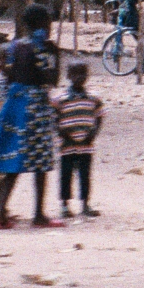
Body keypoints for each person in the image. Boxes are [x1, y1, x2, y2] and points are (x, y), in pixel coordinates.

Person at [0, 4, 63, 230]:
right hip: (35, 104)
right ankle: (38, 215)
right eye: (48, 22)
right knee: (40, 162)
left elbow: (8, 76)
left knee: (14, 161)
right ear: (42, 23)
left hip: (15, 103)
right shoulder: (47, 48)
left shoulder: (13, 46)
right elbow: (51, 79)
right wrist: (53, 55)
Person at [52, 61, 105, 220]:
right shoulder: (60, 99)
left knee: (85, 175)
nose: (79, 78)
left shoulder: (93, 98)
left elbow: (100, 116)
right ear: (68, 76)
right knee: (66, 175)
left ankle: (85, 204)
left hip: (86, 145)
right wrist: (62, 133)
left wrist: (93, 134)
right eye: (75, 74)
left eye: (82, 74)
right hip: (66, 145)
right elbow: (53, 118)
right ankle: (64, 205)